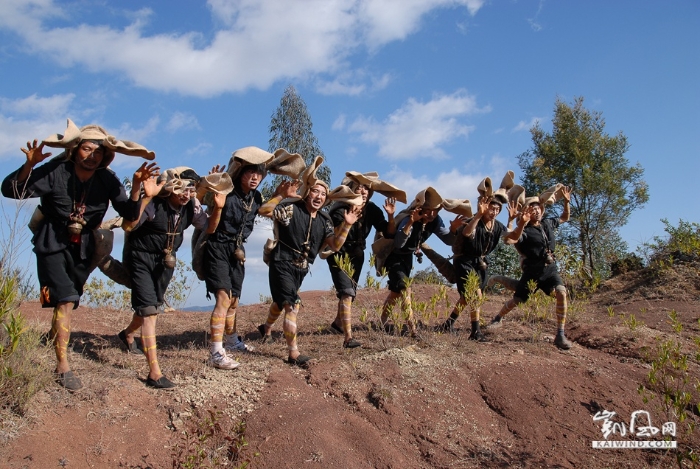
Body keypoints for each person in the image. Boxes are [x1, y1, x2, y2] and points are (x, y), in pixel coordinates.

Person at [1, 119, 156, 391]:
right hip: (52, 241)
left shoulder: (107, 179)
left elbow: (130, 216)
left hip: (84, 247)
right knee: (64, 299)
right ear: (75, 150)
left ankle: (53, 337)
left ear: (105, 156)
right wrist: (30, 165)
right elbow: (12, 190)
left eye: (98, 152)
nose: (92, 155)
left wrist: (137, 190)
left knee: (70, 300)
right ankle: (62, 366)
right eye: (86, 149)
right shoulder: (56, 170)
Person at [117, 167, 225, 388]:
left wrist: (219, 209)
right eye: (182, 189)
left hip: (165, 263)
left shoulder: (191, 207)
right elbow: (128, 225)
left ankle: (127, 334)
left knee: (151, 307)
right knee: (149, 313)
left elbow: (209, 228)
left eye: (191, 190)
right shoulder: (155, 204)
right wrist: (146, 196)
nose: (186, 194)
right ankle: (154, 373)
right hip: (141, 259)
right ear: (171, 187)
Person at [257, 157, 361, 367]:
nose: (319, 196)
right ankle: (293, 353)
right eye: (315, 191)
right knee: (291, 305)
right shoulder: (292, 208)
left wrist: (347, 225)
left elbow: (335, 246)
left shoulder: (325, 220)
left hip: (301, 269)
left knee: (280, 303)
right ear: (307, 192)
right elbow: (265, 211)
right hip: (281, 262)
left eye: (323, 194)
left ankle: (266, 328)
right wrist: (280, 195)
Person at [202, 147, 268, 370]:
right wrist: (209, 187)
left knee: (234, 300)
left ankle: (231, 340)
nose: (255, 178)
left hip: (238, 250)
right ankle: (216, 352)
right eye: (251, 173)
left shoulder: (256, 197)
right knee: (223, 298)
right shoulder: (225, 190)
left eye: (259, 174)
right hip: (217, 246)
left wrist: (282, 194)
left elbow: (267, 209)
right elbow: (202, 200)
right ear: (240, 172)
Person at [486, 185, 574, 350]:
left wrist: (566, 202)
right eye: (532, 209)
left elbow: (564, 217)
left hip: (550, 270)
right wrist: (514, 220)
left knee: (561, 292)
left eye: (538, 208)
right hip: (531, 271)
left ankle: (560, 334)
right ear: (526, 213)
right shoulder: (523, 231)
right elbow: (509, 239)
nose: (537, 211)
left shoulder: (548, 223)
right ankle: (497, 318)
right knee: (518, 300)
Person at [325, 171, 405, 348]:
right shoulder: (339, 208)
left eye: (367, 189)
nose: (364, 191)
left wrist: (391, 216)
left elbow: (389, 232)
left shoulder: (373, 209)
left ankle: (338, 324)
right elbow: (333, 238)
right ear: (351, 189)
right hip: (338, 253)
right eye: (359, 187)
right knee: (346, 293)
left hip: (358, 254)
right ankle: (348, 338)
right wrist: (348, 222)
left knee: (350, 294)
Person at [380, 187, 467, 336]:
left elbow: (447, 240)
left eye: (436, 211)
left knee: (396, 291)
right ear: (421, 208)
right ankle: (413, 329)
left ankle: (382, 321)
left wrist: (453, 229)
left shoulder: (435, 221)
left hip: (407, 257)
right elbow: (399, 243)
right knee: (404, 288)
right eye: (429, 210)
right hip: (393, 256)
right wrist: (411, 223)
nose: (432, 214)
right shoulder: (408, 218)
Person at [437, 194, 517, 339]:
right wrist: (479, 214)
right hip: (465, 262)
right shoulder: (473, 220)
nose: (494, 212)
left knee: (466, 298)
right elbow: (467, 232)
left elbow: (510, 237)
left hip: (480, 264)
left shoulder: (497, 225)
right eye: (491, 209)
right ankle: (475, 332)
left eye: (498, 210)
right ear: (484, 207)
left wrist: (513, 220)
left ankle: (448, 324)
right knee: (476, 295)